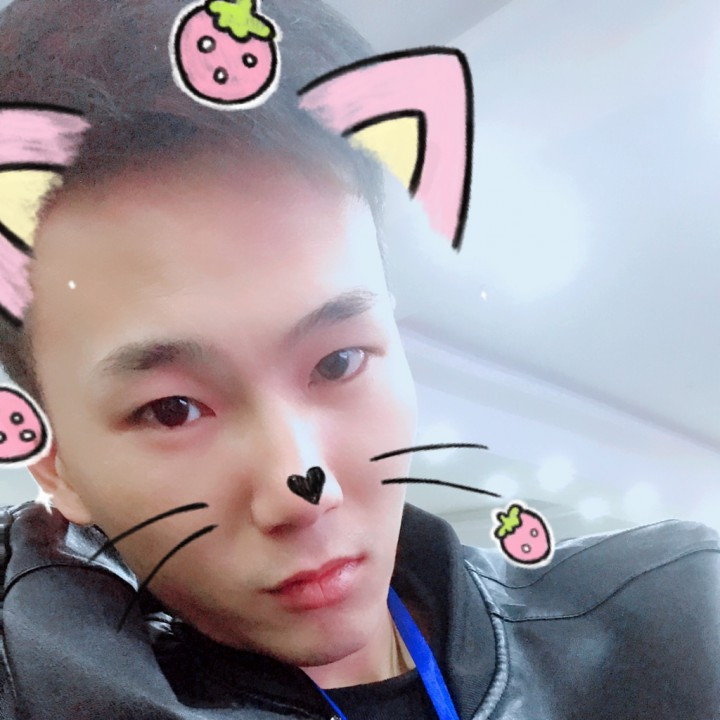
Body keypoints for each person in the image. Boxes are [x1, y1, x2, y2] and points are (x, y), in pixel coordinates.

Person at [0, 1, 718, 719]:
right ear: (56, 467)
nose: (301, 488)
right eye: (172, 409)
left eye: (339, 361)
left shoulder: (677, 625)